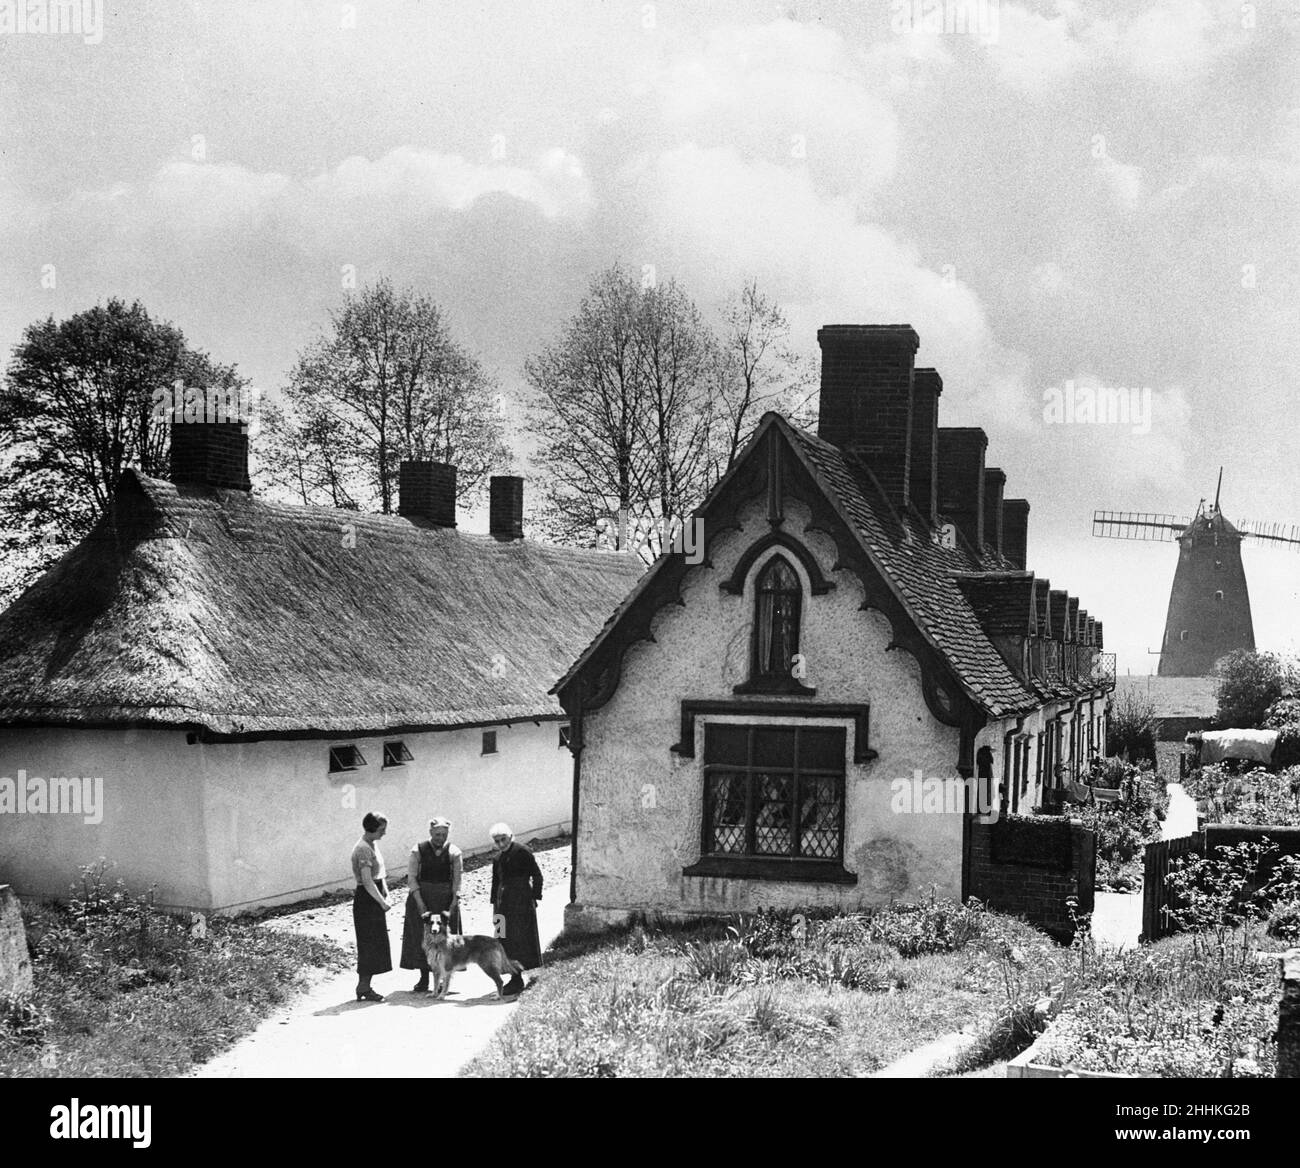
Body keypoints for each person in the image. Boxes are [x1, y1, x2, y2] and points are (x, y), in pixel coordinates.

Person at [400, 816, 464, 993]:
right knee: (422, 937)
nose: (440, 838)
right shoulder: (418, 850)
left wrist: (454, 900)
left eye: (444, 834)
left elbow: (457, 880)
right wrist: (419, 902)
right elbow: (412, 878)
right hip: (422, 898)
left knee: (445, 940)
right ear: (430, 832)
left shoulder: (454, 852)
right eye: (437, 834)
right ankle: (424, 977)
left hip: (444, 900)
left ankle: (444, 978)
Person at [489, 822, 543, 972]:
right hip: (503, 904)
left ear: (511, 836)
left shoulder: (523, 852)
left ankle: (522, 974)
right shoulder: (497, 858)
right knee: (503, 938)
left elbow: (537, 876)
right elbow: (495, 883)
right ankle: (512, 973)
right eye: (497, 841)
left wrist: (533, 897)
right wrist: (495, 907)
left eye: (503, 839)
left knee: (521, 938)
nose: (501, 844)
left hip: (521, 903)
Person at [351, 811, 392, 1001]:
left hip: (374, 897)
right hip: (367, 900)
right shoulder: (363, 849)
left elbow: (380, 875)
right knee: (369, 944)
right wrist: (382, 902)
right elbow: (367, 881)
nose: (384, 833)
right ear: (372, 828)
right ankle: (364, 987)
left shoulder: (372, 845)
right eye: (382, 829)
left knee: (376, 944)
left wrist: (386, 894)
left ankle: (365, 986)